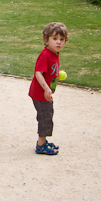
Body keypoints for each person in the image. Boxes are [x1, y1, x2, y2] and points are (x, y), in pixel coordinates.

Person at [28, 21, 69, 155]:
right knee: (45, 117)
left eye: (62, 39)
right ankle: (41, 145)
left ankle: (43, 142)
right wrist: (46, 89)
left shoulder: (54, 53)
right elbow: (38, 73)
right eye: (55, 39)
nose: (59, 42)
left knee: (47, 115)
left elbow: (48, 71)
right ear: (46, 40)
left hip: (45, 92)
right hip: (40, 93)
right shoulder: (45, 54)